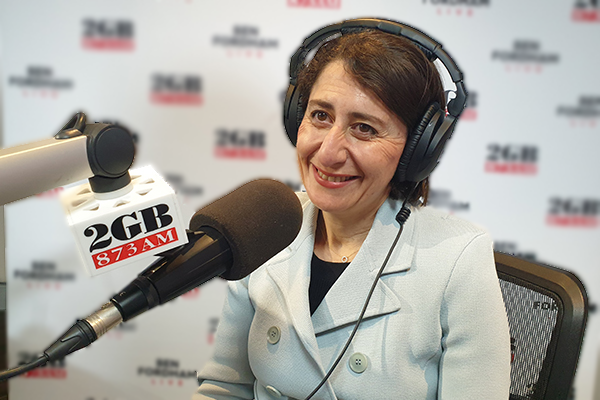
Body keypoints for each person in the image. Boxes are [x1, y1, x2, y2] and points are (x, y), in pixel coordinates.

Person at [193, 19, 510, 400]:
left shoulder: (458, 258)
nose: (328, 153)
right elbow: (225, 388)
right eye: (320, 116)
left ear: (417, 151)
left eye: (364, 128)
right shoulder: (264, 224)